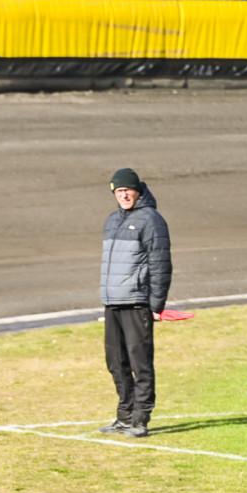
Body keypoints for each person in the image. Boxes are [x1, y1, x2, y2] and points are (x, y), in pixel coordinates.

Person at [98, 168, 171, 438]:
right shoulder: (112, 220)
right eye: (119, 191)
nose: (124, 194)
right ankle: (124, 416)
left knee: (140, 364)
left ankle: (140, 419)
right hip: (113, 302)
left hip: (137, 302)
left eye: (128, 189)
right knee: (116, 363)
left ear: (138, 190)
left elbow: (160, 263)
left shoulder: (151, 220)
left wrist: (156, 304)